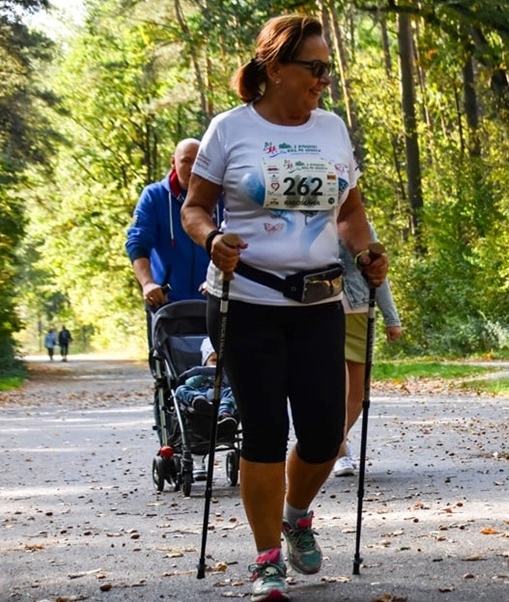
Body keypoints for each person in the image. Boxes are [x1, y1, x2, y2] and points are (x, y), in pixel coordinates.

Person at [180, 15, 388, 602]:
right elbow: (195, 209)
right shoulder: (229, 130)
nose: (324, 79)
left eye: (328, 68)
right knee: (265, 430)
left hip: (319, 301)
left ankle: (297, 514)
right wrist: (210, 240)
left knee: (324, 433)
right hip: (245, 301)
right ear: (274, 70)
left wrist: (367, 250)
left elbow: (349, 213)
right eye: (314, 68)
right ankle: (266, 558)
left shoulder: (332, 131)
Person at [125, 138, 217, 346]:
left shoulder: (221, 196)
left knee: (220, 370)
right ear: (173, 162)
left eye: (199, 161)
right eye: (186, 161)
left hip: (213, 301)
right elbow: (137, 241)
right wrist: (148, 284)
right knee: (166, 368)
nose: (193, 167)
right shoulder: (154, 196)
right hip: (168, 303)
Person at [332, 224, 402, 477]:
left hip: (360, 310)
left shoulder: (362, 227)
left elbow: (378, 275)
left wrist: (392, 319)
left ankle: (334, 440)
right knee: (341, 386)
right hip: (325, 310)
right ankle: (339, 451)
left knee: (358, 393)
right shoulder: (313, 220)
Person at [173, 338, 239, 481]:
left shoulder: (228, 374)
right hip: (200, 401)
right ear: (205, 362)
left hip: (221, 398)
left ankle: (225, 415)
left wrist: (225, 375)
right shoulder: (199, 373)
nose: (217, 365)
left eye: (221, 361)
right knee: (181, 389)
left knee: (232, 393)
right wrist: (203, 373)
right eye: (213, 361)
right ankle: (197, 402)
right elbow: (187, 382)